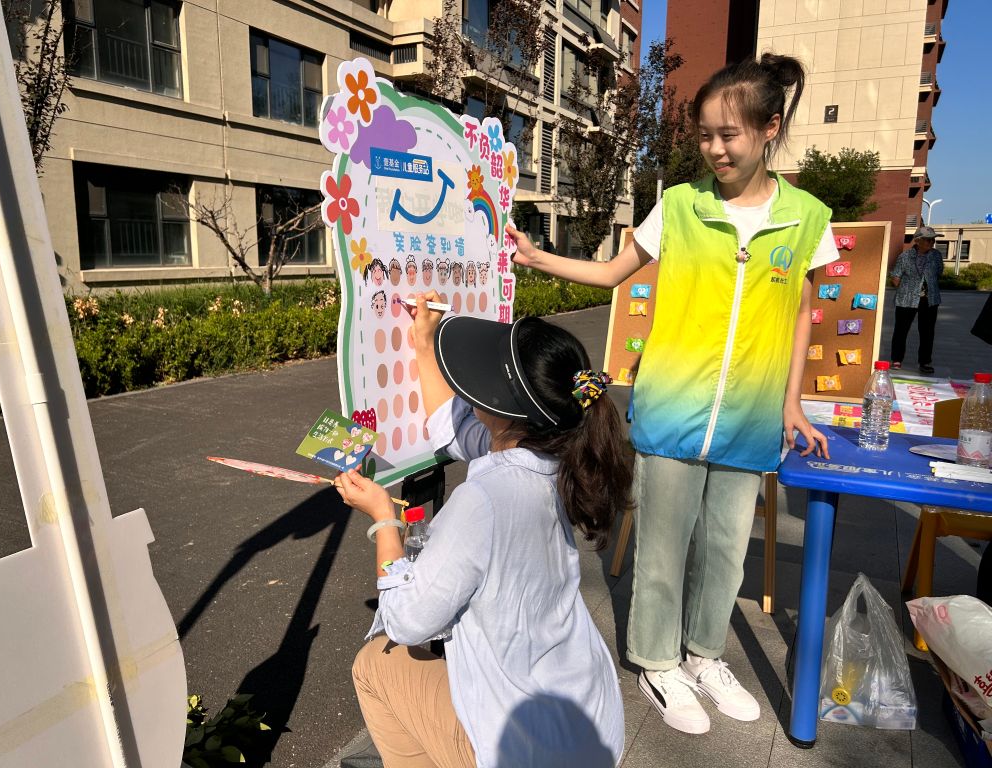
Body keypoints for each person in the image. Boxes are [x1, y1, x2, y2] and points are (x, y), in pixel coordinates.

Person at [506, 53, 833, 735]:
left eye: (729, 135)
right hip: (672, 408)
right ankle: (657, 662)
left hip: (749, 420)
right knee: (659, 551)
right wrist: (538, 257)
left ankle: (705, 655)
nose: (715, 149)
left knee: (725, 554)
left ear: (769, 129)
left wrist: (792, 403)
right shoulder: (680, 206)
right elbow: (611, 274)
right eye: (706, 135)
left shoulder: (807, 218)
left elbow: (804, 313)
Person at [335, 297, 630, 767]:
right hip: (591, 722)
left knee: (374, 664)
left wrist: (383, 519)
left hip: (524, 753)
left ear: (500, 411)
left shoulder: (483, 500)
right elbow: (450, 431)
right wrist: (423, 344)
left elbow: (406, 621)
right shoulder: (563, 453)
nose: (469, 393)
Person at [889, 225, 944, 374]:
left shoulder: (936, 255)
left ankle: (925, 362)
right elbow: (895, 277)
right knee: (901, 330)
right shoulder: (905, 256)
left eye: (933, 240)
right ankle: (896, 359)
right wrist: (907, 288)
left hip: (930, 299)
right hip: (906, 298)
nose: (931, 242)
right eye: (928, 240)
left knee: (927, 332)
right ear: (918, 240)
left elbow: (939, 273)